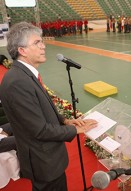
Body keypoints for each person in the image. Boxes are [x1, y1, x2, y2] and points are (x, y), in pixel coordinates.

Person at [0, 22, 98, 191]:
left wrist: (65, 121)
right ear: (22, 50)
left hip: (47, 159)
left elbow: (38, 111)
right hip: (43, 161)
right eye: (37, 43)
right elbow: (39, 130)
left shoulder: (24, 74)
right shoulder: (17, 82)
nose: (43, 46)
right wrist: (76, 131)